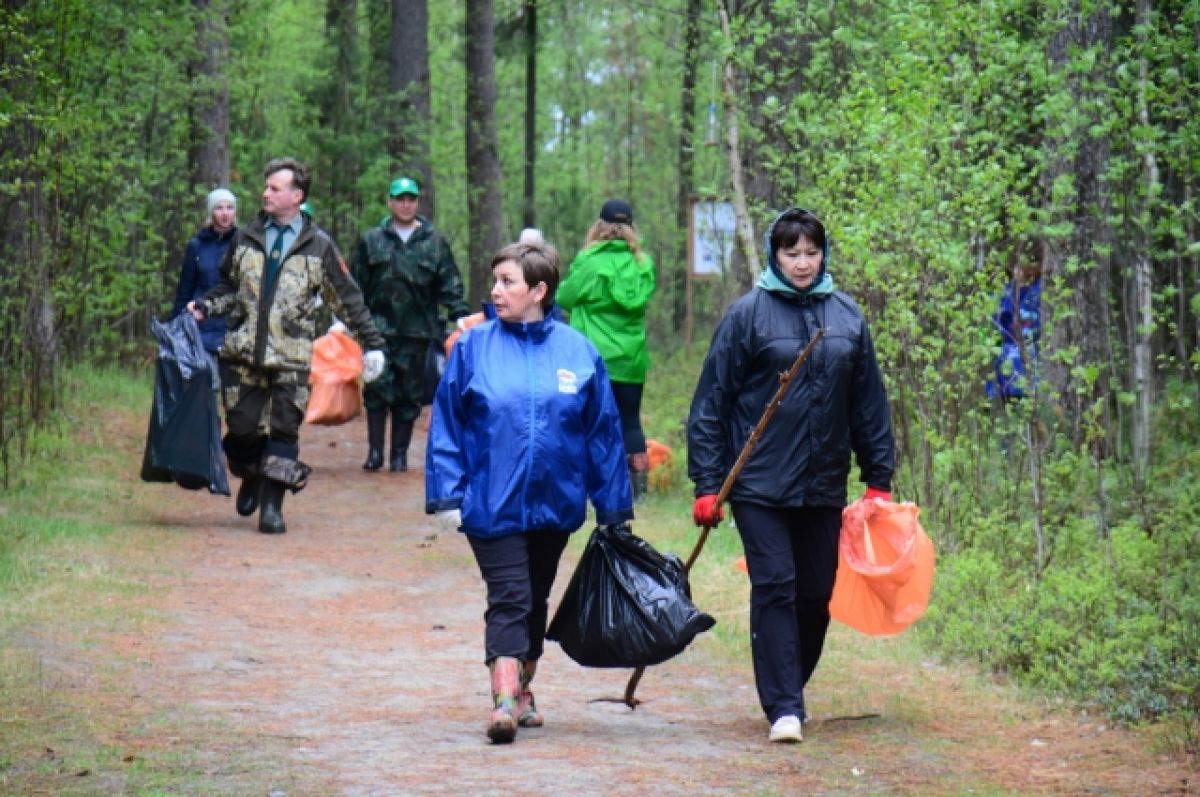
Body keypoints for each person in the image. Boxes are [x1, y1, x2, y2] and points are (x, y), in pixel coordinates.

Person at [687, 207, 895, 744]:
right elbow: (712, 403)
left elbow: (868, 404)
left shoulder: (847, 317)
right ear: (773, 256)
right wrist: (707, 483)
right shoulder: (747, 316)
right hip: (758, 483)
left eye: (811, 252)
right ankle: (783, 704)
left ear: (824, 253)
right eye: (791, 252)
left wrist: (878, 479)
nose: (802, 263)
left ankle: (789, 685)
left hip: (823, 483)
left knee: (815, 593)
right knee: (775, 585)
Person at [425, 242, 633, 744]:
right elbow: (447, 425)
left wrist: (612, 506)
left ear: (539, 290)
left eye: (507, 281)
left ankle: (522, 688)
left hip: (555, 504)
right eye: (494, 280)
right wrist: (448, 496)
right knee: (511, 595)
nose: (495, 291)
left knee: (535, 596)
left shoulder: (578, 352)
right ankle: (502, 700)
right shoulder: (472, 348)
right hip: (489, 501)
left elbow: (603, 433)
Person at [189, 157, 386, 535]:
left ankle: (273, 507)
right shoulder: (246, 238)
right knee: (243, 430)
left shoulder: (319, 246)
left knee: (283, 430)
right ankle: (251, 474)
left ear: (296, 196)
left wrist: (372, 345)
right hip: (243, 353)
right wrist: (204, 306)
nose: (265, 193)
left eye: (274, 188)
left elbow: (347, 298)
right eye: (266, 187)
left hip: (292, 357)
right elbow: (228, 288)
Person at [351, 176, 470, 473]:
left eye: (411, 199)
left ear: (417, 203)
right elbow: (355, 284)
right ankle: (375, 452)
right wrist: (345, 320)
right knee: (377, 389)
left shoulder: (434, 242)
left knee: (409, 394)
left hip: (417, 332)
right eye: (400, 198)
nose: (406, 204)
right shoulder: (372, 240)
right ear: (390, 202)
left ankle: (399, 455)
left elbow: (449, 283)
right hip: (377, 330)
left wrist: (460, 314)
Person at [556, 199, 657, 501]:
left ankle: (593, 484)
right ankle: (638, 488)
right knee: (630, 419)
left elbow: (564, 297)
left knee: (588, 420)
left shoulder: (589, 261)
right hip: (631, 357)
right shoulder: (643, 264)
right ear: (631, 228)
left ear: (598, 226)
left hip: (592, 357)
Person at [170, 188, 238, 391]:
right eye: (219, 208)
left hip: (233, 329)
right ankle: (210, 424)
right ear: (211, 212)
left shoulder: (243, 243)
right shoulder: (196, 246)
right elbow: (185, 289)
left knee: (236, 395)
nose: (225, 213)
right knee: (206, 390)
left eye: (230, 208)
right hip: (201, 327)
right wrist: (176, 327)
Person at [986, 252, 1042, 401]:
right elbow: (993, 328)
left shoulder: (1041, 292)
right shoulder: (1004, 294)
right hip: (1006, 372)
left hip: (1031, 371)